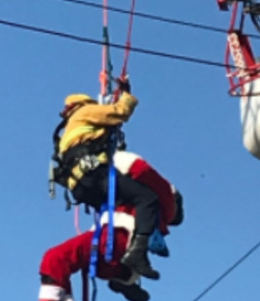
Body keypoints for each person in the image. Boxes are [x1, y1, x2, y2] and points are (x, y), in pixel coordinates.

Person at [21, 159, 182, 301]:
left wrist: (102, 160)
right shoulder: (152, 207)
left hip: (113, 239)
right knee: (64, 263)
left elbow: (137, 166)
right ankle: (123, 280)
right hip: (111, 251)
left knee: (55, 258)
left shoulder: (154, 197)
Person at [52, 77, 175, 280]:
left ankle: (125, 274)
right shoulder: (84, 112)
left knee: (124, 210)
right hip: (95, 175)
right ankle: (137, 254)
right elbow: (119, 113)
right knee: (147, 198)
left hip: (80, 187)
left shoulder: (68, 131)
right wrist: (126, 95)